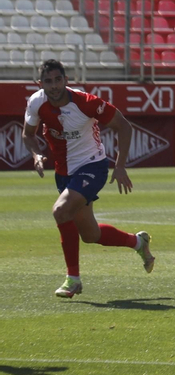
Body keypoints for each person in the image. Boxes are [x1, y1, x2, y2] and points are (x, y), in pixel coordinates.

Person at [23, 59, 155, 299]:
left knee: (61, 211)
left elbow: (124, 126)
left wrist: (120, 166)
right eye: (48, 81)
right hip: (64, 173)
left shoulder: (86, 102)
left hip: (92, 165)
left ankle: (73, 280)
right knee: (90, 235)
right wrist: (36, 155)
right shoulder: (36, 102)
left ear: (66, 80)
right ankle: (138, 243)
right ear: (40, 83)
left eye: (58, 80)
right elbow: (28, 134)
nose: (54, 86)